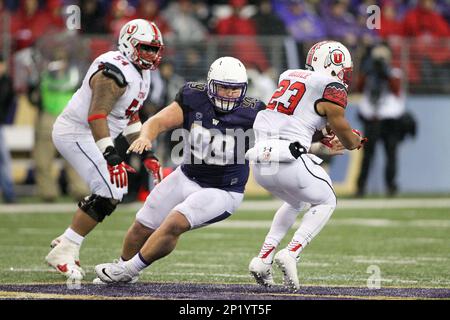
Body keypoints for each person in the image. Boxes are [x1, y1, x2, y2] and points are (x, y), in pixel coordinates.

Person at [93, 56, 266, 284]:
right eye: (223, 87)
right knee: (141, 225)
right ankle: (121, 266)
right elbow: (158, 121)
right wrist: (145, 136)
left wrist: (317, 139)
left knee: (175, 222)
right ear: (210, 84)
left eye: (235, 89)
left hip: (223, 190)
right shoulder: (193, 97)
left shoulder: (255, 112)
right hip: (186, 175)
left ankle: (129, 269)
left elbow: (285, 134)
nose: (229, 94)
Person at [45, 19, 164, 280]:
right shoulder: (113, 73)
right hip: (76, 132)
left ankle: (67, 242)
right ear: (129, 44)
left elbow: (130, 116)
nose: (152, 55)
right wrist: (112, 156)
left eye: (155, 49)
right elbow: (97, 116)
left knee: (114, 189)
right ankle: (65, 248)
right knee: (111, 187)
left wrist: (146, 153)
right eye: (146, 48)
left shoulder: (141, 73)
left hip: (92, 134)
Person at [247, 41, 367, 291]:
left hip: (260, 161)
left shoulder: (289, 76)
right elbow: (344, 132)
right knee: (327, 200)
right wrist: (354, 139)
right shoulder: (330, 86)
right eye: (343, 69)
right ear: (332, 65)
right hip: (288, 160)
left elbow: (297, 119)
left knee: (295, 202)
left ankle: (263, 258)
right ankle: (292, 252)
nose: (345, 75)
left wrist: (322, 137)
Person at [355, 43, 406, 197]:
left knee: (391, 153)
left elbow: (396, 90)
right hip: (372, 118)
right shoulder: (369, 72)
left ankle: (391, 187)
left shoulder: (395, 72)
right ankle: (361, 187)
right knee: (367, 155)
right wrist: (366, 71)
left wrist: (386, 72)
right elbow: (359, 87)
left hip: (390, 119)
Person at [0, 54, 17, 204]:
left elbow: (9, 101)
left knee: (4, 161)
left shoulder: (6, 81)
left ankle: (9, 194)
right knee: (4, 160)